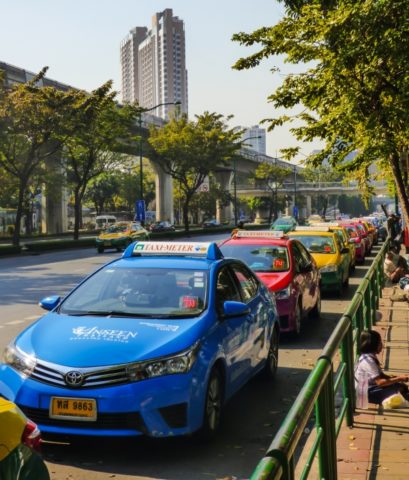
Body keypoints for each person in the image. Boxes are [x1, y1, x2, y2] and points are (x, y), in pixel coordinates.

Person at [355, 330, 409, 405]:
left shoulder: (369, 356)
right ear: (373, 345)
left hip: (370, 387)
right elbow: (380, 382)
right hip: (366, 392)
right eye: (380, 343)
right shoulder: (368, 361)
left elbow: (381, 375)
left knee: (401, 386)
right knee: (399, 390)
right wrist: (399, 379)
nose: (382, 346)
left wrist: (397, 378)